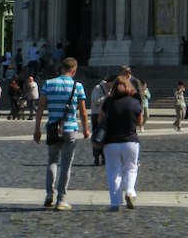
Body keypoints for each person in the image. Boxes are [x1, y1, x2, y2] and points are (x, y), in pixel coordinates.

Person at [34, 56, 90, 211]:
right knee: (66, 165)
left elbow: (40, 109)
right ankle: (61, 199)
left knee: (52, 161)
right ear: (74, 70)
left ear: (61, 68)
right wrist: (86, 129)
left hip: (52, 128)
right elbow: (84, 112)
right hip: (70, 129)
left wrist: (37, 129)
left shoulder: (48, 84)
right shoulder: (78, 86)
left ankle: (49, 194)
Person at [99, 73, 143, 210]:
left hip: (111, 142)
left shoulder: (109, 102)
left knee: (114, 172)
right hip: (130, 141)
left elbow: (100, 118)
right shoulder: (135, 102)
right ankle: (130, 191)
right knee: (131, 168)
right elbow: (139, 122)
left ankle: (115, 203)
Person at [90, 75, 112, 165]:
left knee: (105, 137)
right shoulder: (98, 88)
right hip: (96, 114)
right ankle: (96, 157)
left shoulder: (111, 89)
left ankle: (104, 157)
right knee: (97, 136)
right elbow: (95, 101)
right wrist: (106, 97)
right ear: (109, 82)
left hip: (106, 115)